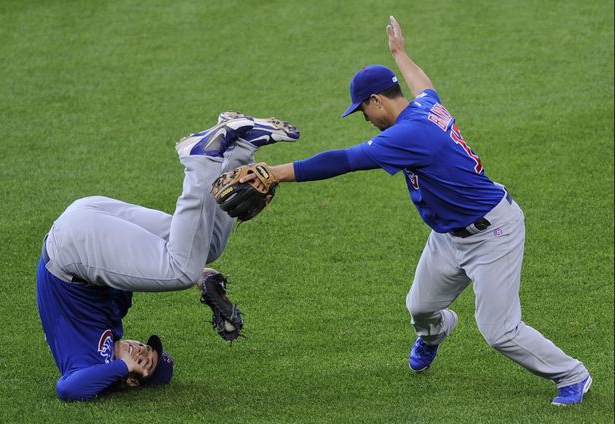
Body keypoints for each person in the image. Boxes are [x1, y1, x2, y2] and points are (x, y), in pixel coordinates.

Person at [243, 16, 591, 406]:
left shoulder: (408, 135)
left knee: (499, 330)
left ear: (376, 101)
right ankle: (436, 334)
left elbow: (343, 160)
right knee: (421, 308)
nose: (366, 119)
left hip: (493, 234)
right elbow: (424, 85)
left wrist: (275, 173)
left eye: (362, 111)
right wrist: (399, 53)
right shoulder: (424, 106)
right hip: (448, 236)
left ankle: (572, 374)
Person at [36, 112, 299, 400]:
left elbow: (67, 389)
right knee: (207, 250)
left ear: (132, 381)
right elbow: (125, 268)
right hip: (84, 228)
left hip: (73, 243)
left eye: (145, 362)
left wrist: (122, 366)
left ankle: (200, 159)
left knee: (181, 271)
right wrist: (202, 276)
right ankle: (240, 150)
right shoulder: (113, 320)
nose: (141, 352)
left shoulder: (85, 363)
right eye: (148, 352)